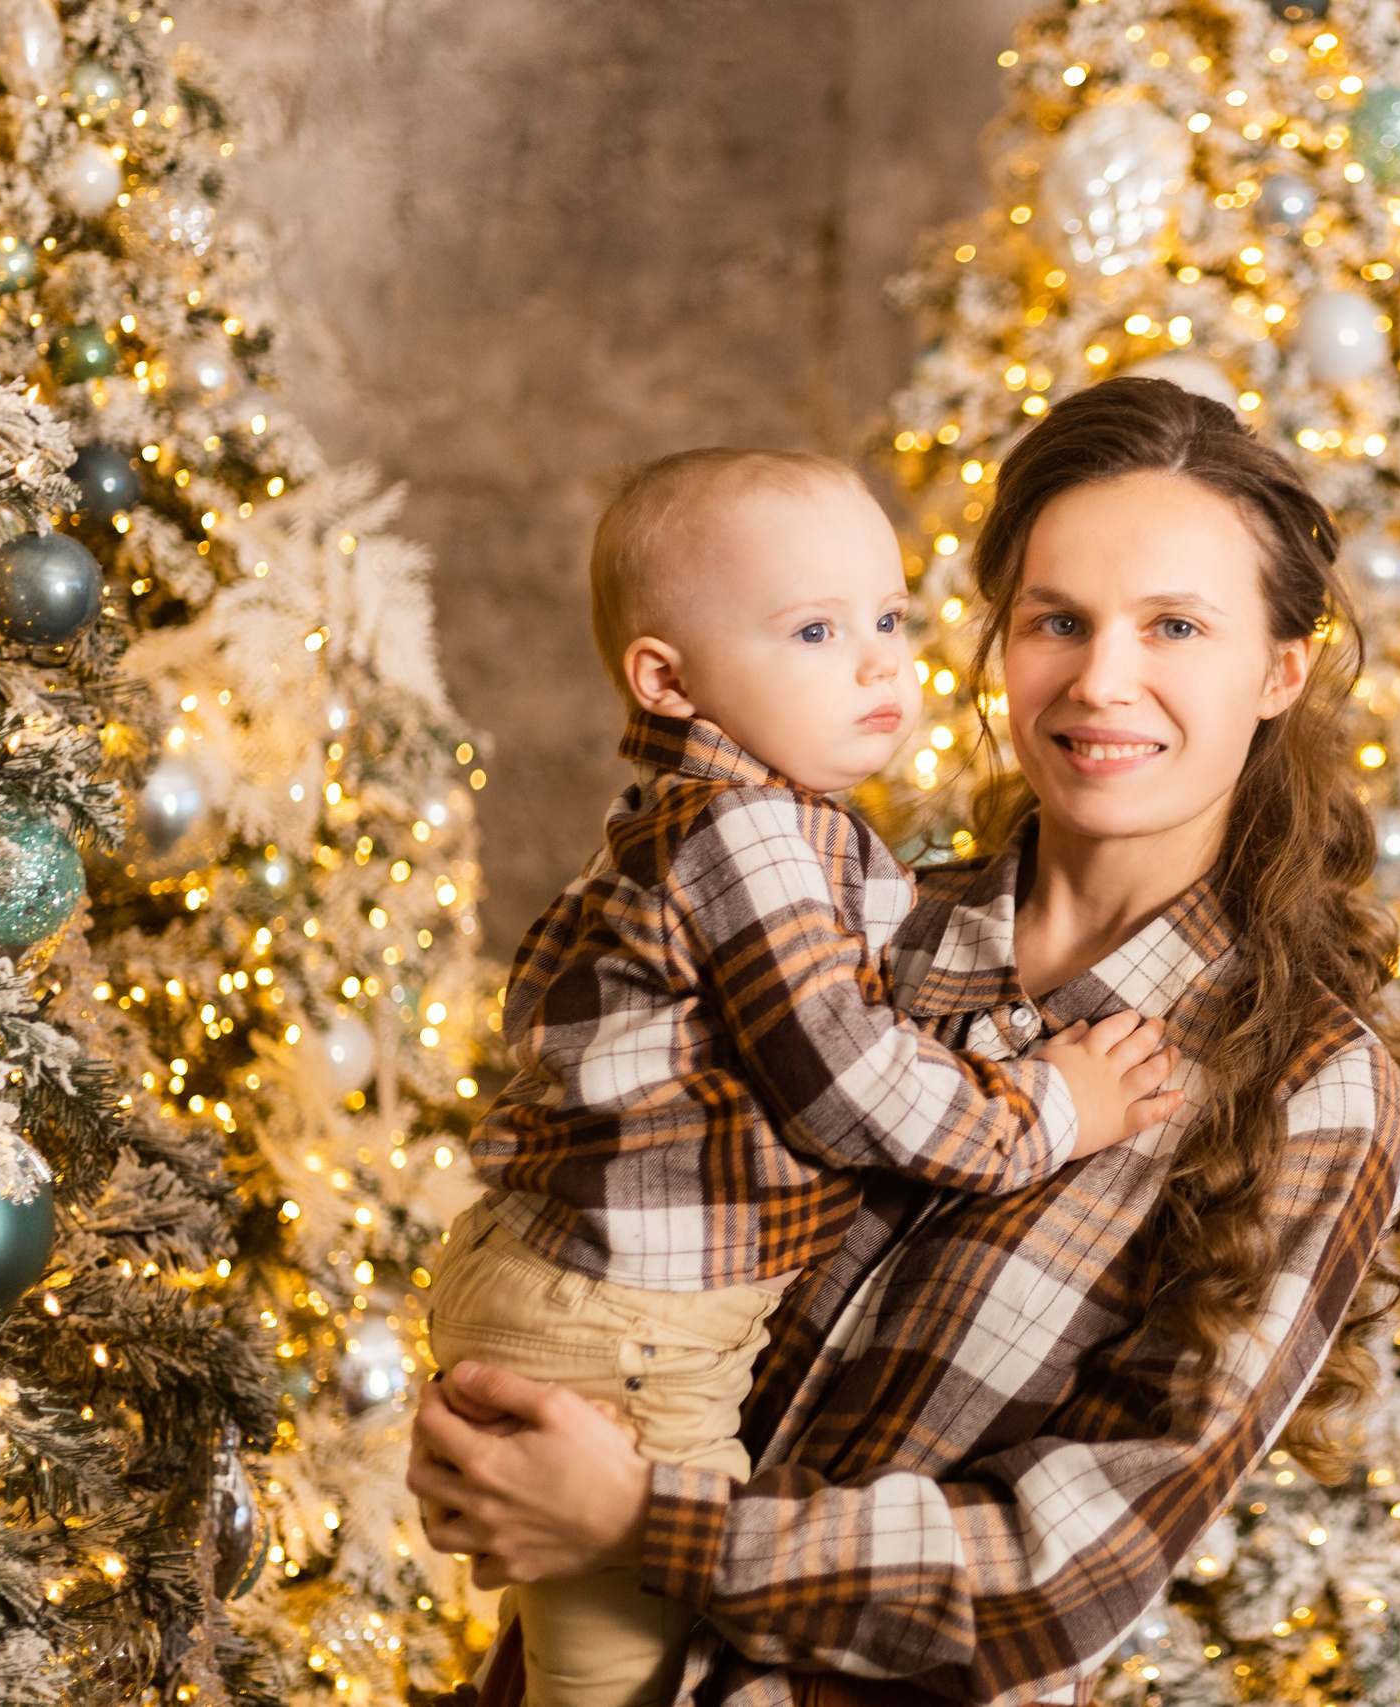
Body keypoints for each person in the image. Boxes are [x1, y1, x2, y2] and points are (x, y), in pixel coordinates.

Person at [409, 379, 1400, 1707]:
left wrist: (642, 1521)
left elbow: (1072, 1565)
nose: (1102, 679)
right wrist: (501, 1434)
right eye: (1058, 620)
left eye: (1175, 625)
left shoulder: (1311, 1082)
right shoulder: (854, 928)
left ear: (1280, 670)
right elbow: (606, 1195)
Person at [429, 447, 1182, 1707]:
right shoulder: (741, 833)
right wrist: (1057, 1108)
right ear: (668, 680)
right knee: (619, 1673)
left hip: (614, 1298)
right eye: (817, 630)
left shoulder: (805, 832)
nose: (882, 662)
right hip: (626, 1321)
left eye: (889, 618)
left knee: (623, 1630)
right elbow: (852, 1083)